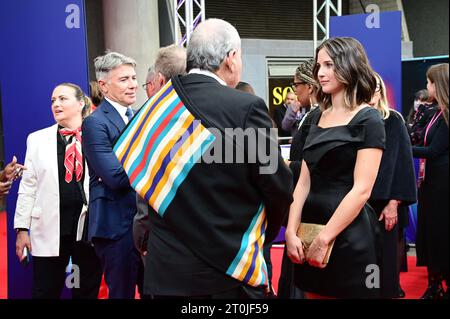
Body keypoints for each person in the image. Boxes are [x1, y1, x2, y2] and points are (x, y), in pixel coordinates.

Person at [130, 18, 293, 298]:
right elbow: (277, 185)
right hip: (227, 270)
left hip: (167, 271)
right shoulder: (246, 108)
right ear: (230, 59)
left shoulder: (156, 108)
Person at [285, 37, 385, 299]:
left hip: (347, 230)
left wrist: (324, 238)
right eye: (320, 65)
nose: (321, 73)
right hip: (308, 226)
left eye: (329, 65)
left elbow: (362, 189)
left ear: (349, 65)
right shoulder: (315, 117)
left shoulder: (369, 118)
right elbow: (303, 182)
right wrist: (290, 230)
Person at [14, 83, 102, 299]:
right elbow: (28, 187)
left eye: (63, 99)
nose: (56, 104)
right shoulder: (37, 140)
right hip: (49, 229)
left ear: (81, 103)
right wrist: (22, 229)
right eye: (53, 100)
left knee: (84, 291)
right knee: (45, 291)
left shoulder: (97, 134)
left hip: (87, 231)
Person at [82, 51, 140, 299]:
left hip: (145, 226)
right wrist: (154, 165)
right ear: (104, 86)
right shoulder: (95, 123)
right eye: (124, 79)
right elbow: (115, 176)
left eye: (134, 78)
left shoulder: (140, 117)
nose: (133, 85)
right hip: (115, 228)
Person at [134, 44, 187, 258]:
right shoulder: (214, 113)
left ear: (161, 81)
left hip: (163, 241)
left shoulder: (151, 123)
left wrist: (141, 238)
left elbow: (146, 187)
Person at [368, 73, 417, 298]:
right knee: (364, 259)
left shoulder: (393, 120)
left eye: (374, 88)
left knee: (386, 260)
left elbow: (403, 165)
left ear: (380, 92)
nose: (370, 93)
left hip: (385, 203)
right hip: (357, 203)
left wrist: (393, 202)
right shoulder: (355, 121)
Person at [277, 58, 319, 299]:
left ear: (309, 87)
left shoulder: (317, 118)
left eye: (296, 85)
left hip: (308, 205)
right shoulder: (309, 116)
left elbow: (314, 165)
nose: (294, 91)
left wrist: (289, 165)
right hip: (301, 202)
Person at [412, 63, 449, 299]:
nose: (426, 86)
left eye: (429, 82)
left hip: (443, 186)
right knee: (430, 231)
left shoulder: (446, 115)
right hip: (430, 183)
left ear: (439, 84)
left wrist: (405, 148)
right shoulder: (435, 113)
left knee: (440, 231)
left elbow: (434, 151)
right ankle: (435, 283)